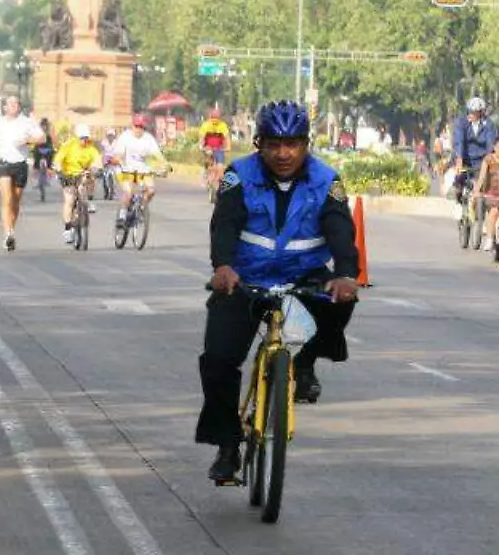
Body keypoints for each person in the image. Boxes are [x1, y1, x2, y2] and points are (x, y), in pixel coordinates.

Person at [197, 100, 359, 483]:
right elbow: (225, 225)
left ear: (306, 144)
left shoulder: (327, 180)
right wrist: (222, 268)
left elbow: (340, 229)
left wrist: (347, 274)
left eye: (292, 144)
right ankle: (227, 445)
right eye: (273, 144)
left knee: (341, 299)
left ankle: (304, 364)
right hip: (245, 278)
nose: (283, 154)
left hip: (303, 276)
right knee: (217, 361)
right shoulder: (239, 175)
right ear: (259, 143)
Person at [0, 96, 46, 251]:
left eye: (16, 103)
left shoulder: (26, 122)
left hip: (20, 165)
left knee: (15, 202)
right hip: (4, 164)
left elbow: (42, 137)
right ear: (5, 107)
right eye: (10, 103)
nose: (13, 105)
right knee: (6, 200)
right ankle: (8, 234)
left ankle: (11, 228)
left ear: (19, 106)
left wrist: (28, 140)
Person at [112, 114, 165, 228]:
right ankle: (122, 215)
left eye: (141, 127)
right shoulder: (125, 137)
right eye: (137, 126)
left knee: (151, 190)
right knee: (129, 192)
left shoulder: (148, 138)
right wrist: (118, 160)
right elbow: (119, 154)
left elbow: (157, 154)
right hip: (126, 170)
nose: (139, 129)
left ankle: (141, 209)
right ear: (132, 126)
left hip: (143, 171)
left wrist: (164, 165)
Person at [53, 123, 102, 242]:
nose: (84, 140)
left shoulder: (91, 148)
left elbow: (97, 161)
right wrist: (59, 170)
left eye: (86, 138)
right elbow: (58, 160)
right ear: (77, 137)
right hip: (68, 174)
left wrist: (97, 169)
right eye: (82, 138)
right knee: (69, 200)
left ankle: (88, 201)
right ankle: (68, 229)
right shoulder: (68, 146)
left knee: (90, 178)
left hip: (82, 174)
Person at [452, 97, 497, 203]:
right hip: (465, 160)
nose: (471, 114)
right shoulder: (462, 123)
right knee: (459, 179)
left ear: (481, 113)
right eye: (470, 111)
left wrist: (489, 160)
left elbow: (490, 144)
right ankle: (457, 193)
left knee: (482, 184)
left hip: (481, 162)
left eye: (474, 112)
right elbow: (459, 141)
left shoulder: (489, 125)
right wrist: (459, 159)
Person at [472, 138, 499, 251]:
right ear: (494, 147)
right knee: (494, 211)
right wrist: (477, 191)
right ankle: (489, 239)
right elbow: (482, 177)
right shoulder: (488, 160)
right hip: (491, 194)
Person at [197, 106, 232, 182]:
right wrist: (201, 146)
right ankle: (206, 172)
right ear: (210, 118)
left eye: (217, 118)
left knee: (220, 167)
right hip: (208, 147)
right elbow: (202, 137)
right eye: (213, 118)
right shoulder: (206, 125)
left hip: (219, 148)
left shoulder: (222, 125)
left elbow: (227, 137)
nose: (215, 120)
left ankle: (218, 183)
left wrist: (228, 147)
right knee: (209, 157)